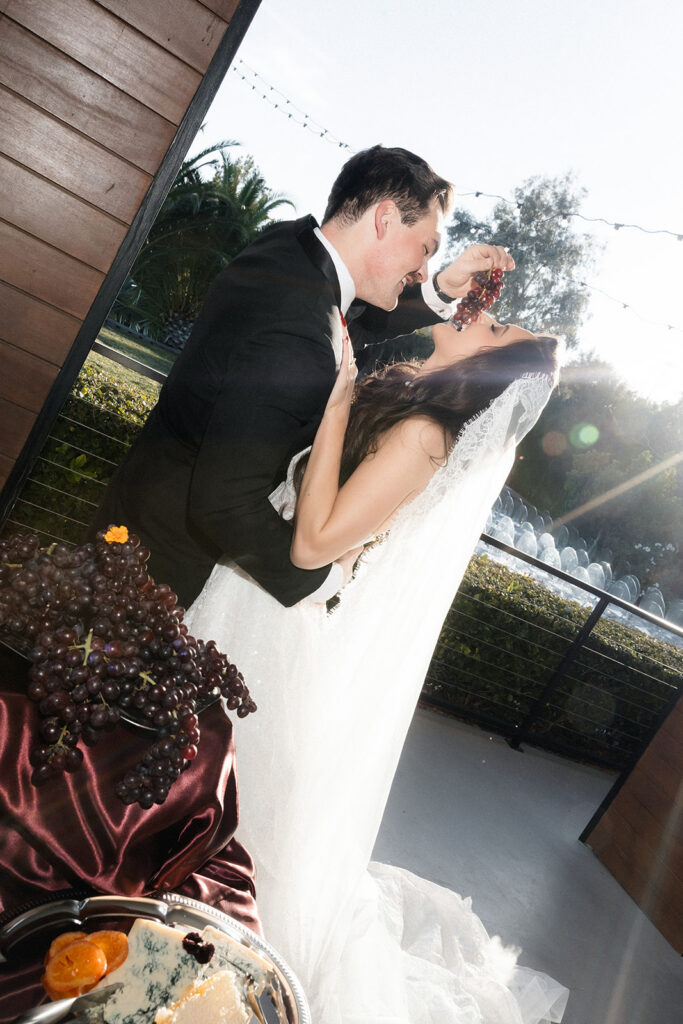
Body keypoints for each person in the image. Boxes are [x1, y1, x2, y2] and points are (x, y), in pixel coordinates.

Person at [184, 315, 570, 1023]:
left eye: (497, 324)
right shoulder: (408, 395)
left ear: (491, 363)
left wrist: (336, 408)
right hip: (241, 594)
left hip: (270, 619)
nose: (479, 313)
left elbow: (314, 545)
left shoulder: (425, 437)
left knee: (227, 807)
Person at [92, 145, 514, 611]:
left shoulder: (286, 250)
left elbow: (347, 315)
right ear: (386, 220)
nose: (424, 269)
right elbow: (224, 504)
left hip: (135, 513)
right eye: (426, 249)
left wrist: (440, 290)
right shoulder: (300, 336)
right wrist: (323, 589)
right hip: (164, 570)